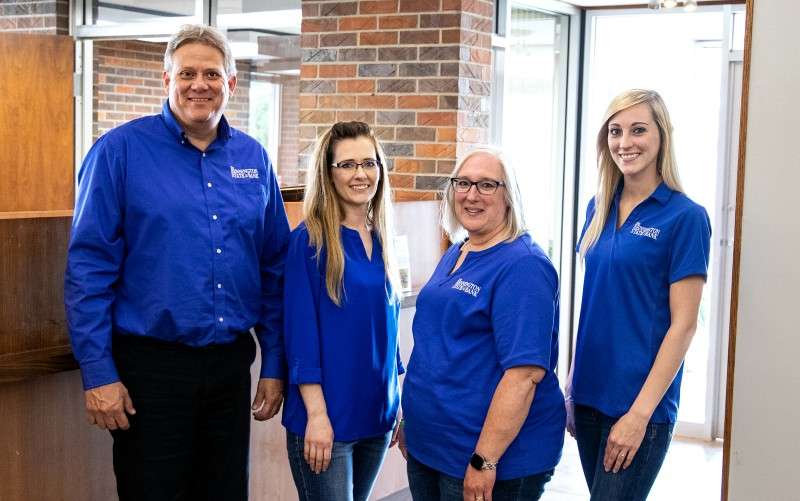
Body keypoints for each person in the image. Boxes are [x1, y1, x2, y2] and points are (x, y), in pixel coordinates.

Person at [64, 24, 289, 501]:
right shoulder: (118, 152)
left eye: (212, 73)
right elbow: (88, 271)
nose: (199, 84)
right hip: (150, 372)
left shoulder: (254, 158)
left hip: (230, 368)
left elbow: (274, 270)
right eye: (186, 73)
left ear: (231, 83)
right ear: (165, 79)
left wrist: (274, 362)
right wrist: (99, 372)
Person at [567, 89, 711, 500]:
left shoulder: (686, 217)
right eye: (615, 131)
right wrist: (574, 388)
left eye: (638, 130)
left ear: (661, 136)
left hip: (638, 408)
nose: (624, 142)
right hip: (590, 397)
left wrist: (639, 415)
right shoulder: (598, 208)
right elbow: (597, 304)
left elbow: (683, 327)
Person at [399, 149, 565, 501]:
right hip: (432, 445)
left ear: (509, 196)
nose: (472, 195)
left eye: (487, 185)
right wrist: (413, 422)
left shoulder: (524, 267)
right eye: (463, 183)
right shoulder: (459, 250)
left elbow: (523, 376)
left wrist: (485, 460)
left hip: (486, 458)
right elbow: (437, 346)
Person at [282, 121, 404, 501]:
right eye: (347, 165)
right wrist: (317, 416)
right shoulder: (310, 240)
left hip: (377, 417)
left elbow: (387, 330)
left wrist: (396, 399)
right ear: (328, 173)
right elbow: (301, 338)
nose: (360, 174)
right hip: (326, 420)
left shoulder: (383, 236)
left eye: (369, 163)